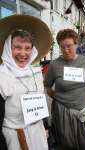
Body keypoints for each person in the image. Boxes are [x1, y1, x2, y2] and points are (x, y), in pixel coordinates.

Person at [0, 15, 53, 150]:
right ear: (8, 48)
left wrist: (45, 126)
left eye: (27, 48)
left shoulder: (35, 72)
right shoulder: (2, 76)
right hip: (14, 139)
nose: (23, 53)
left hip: (38, 135)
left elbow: (40, 103)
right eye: (18, 47)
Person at [44, 29, 85, 150]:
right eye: (62, 47)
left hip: (83, 110)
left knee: (84, 143)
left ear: (76, 44)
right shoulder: (55, 64)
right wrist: (59, 98)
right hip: (63, 111)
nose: (65, 50)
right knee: (65, 145)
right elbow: (47, 86)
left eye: (69, 46)